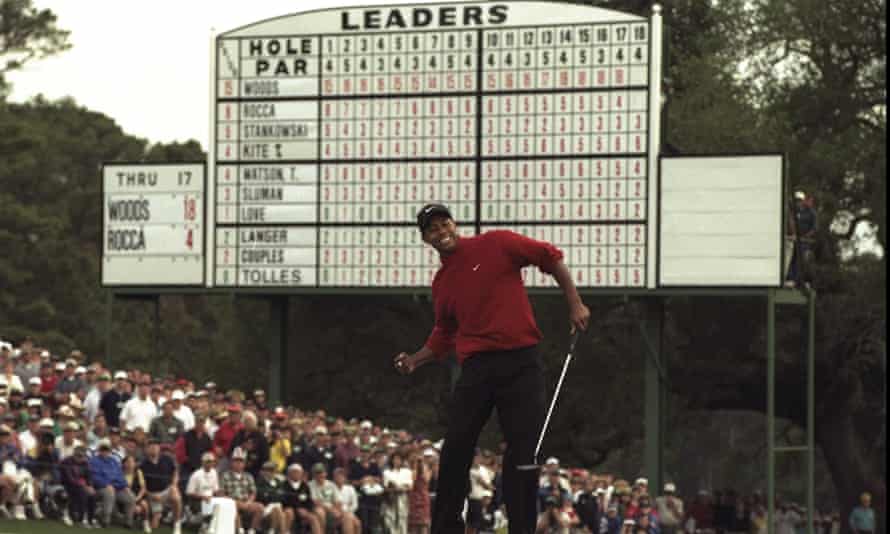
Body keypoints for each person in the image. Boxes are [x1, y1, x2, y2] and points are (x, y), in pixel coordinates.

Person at [394, 203, 590, 534]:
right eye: (432, 230)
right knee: (455, 446)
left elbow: (550, 257)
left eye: (444, 224)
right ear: (426, 239)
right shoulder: (442, 283)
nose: (441, 232)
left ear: (455, 225)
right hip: (477, 368)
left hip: (521, 361)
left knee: (522, 452)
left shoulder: (497, 243)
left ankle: (522, 528)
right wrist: (415, 359)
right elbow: (444, 334)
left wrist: (575, 303)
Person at [90, 437, 136, 527]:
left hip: (117, 488)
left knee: (131, 497)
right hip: (100, 488)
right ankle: (105, 520)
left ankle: (128, 522)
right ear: (99, 449)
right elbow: (94, 478)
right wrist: (106, 485)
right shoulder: (94, 461)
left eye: (106, 449)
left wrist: (125, 486)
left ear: (110, 450)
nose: (105, 451)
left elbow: (120, 476)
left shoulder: (114, 461)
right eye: (103, 449)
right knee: (109, 492)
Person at [141, 438, 183, 534]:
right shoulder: (143, 464)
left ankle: (177, 525)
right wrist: (150, 495)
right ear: (147, 449)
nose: (154, 448)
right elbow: (140, 485)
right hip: (152, 494)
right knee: (154, 526)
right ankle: (160, 513)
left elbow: (175, 471)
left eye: (156, 446)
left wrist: (174, 485)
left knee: (176, 497)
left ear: (159, 448)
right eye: (151, 446)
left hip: (166, 490)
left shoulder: (167, 459)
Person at [220, 446, 264, 534]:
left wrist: (249, 502)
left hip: (246, 502)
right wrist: (234, 501)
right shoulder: (225, 476)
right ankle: (240, 530)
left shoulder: (248, 476)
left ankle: (252, 530)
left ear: (244, 464)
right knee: (233, 505)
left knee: (260, 507)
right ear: (232, 463)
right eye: (236, 461)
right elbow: (221, 493)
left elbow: (253, 492)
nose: (238, 464)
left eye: (241, 462)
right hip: (232, 502)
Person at [60, 445, 98, 527]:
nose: (80, 458)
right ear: (74, 454)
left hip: (81, 485)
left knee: (93, 494)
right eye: (78, 456)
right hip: (68, 485)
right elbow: (69, 478)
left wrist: (90, 486)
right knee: (83, 492)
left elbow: (89, 476)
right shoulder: (67, 461)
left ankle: (91, 519)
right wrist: (82, 485)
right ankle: (81, 519)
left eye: (83, 456)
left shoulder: (85, 463)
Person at [786, 190, 817, 289]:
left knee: (802, 260)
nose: (798, 202)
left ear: (803, 201)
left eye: (800, 200)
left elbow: (815, 228)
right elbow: (790, 225)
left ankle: (802, 281)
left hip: (804, 241)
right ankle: (790, 280)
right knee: (792, 258)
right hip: (794, 240)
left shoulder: (811, 212)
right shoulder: (793, 212)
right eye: (796, 200)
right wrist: (793, 234)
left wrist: (806, 236)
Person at [282, 463, 323, 534]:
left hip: (303, 510)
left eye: (298, 472)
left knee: (313, 518)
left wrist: (307, 510)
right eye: (294, 472)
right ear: (289, 473)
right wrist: (297, 508)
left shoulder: (304, 486)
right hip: (289, 508)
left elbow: (308, 500)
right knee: (289, 512)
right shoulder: (284, 484)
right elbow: (285, 499)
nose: (296, 474)